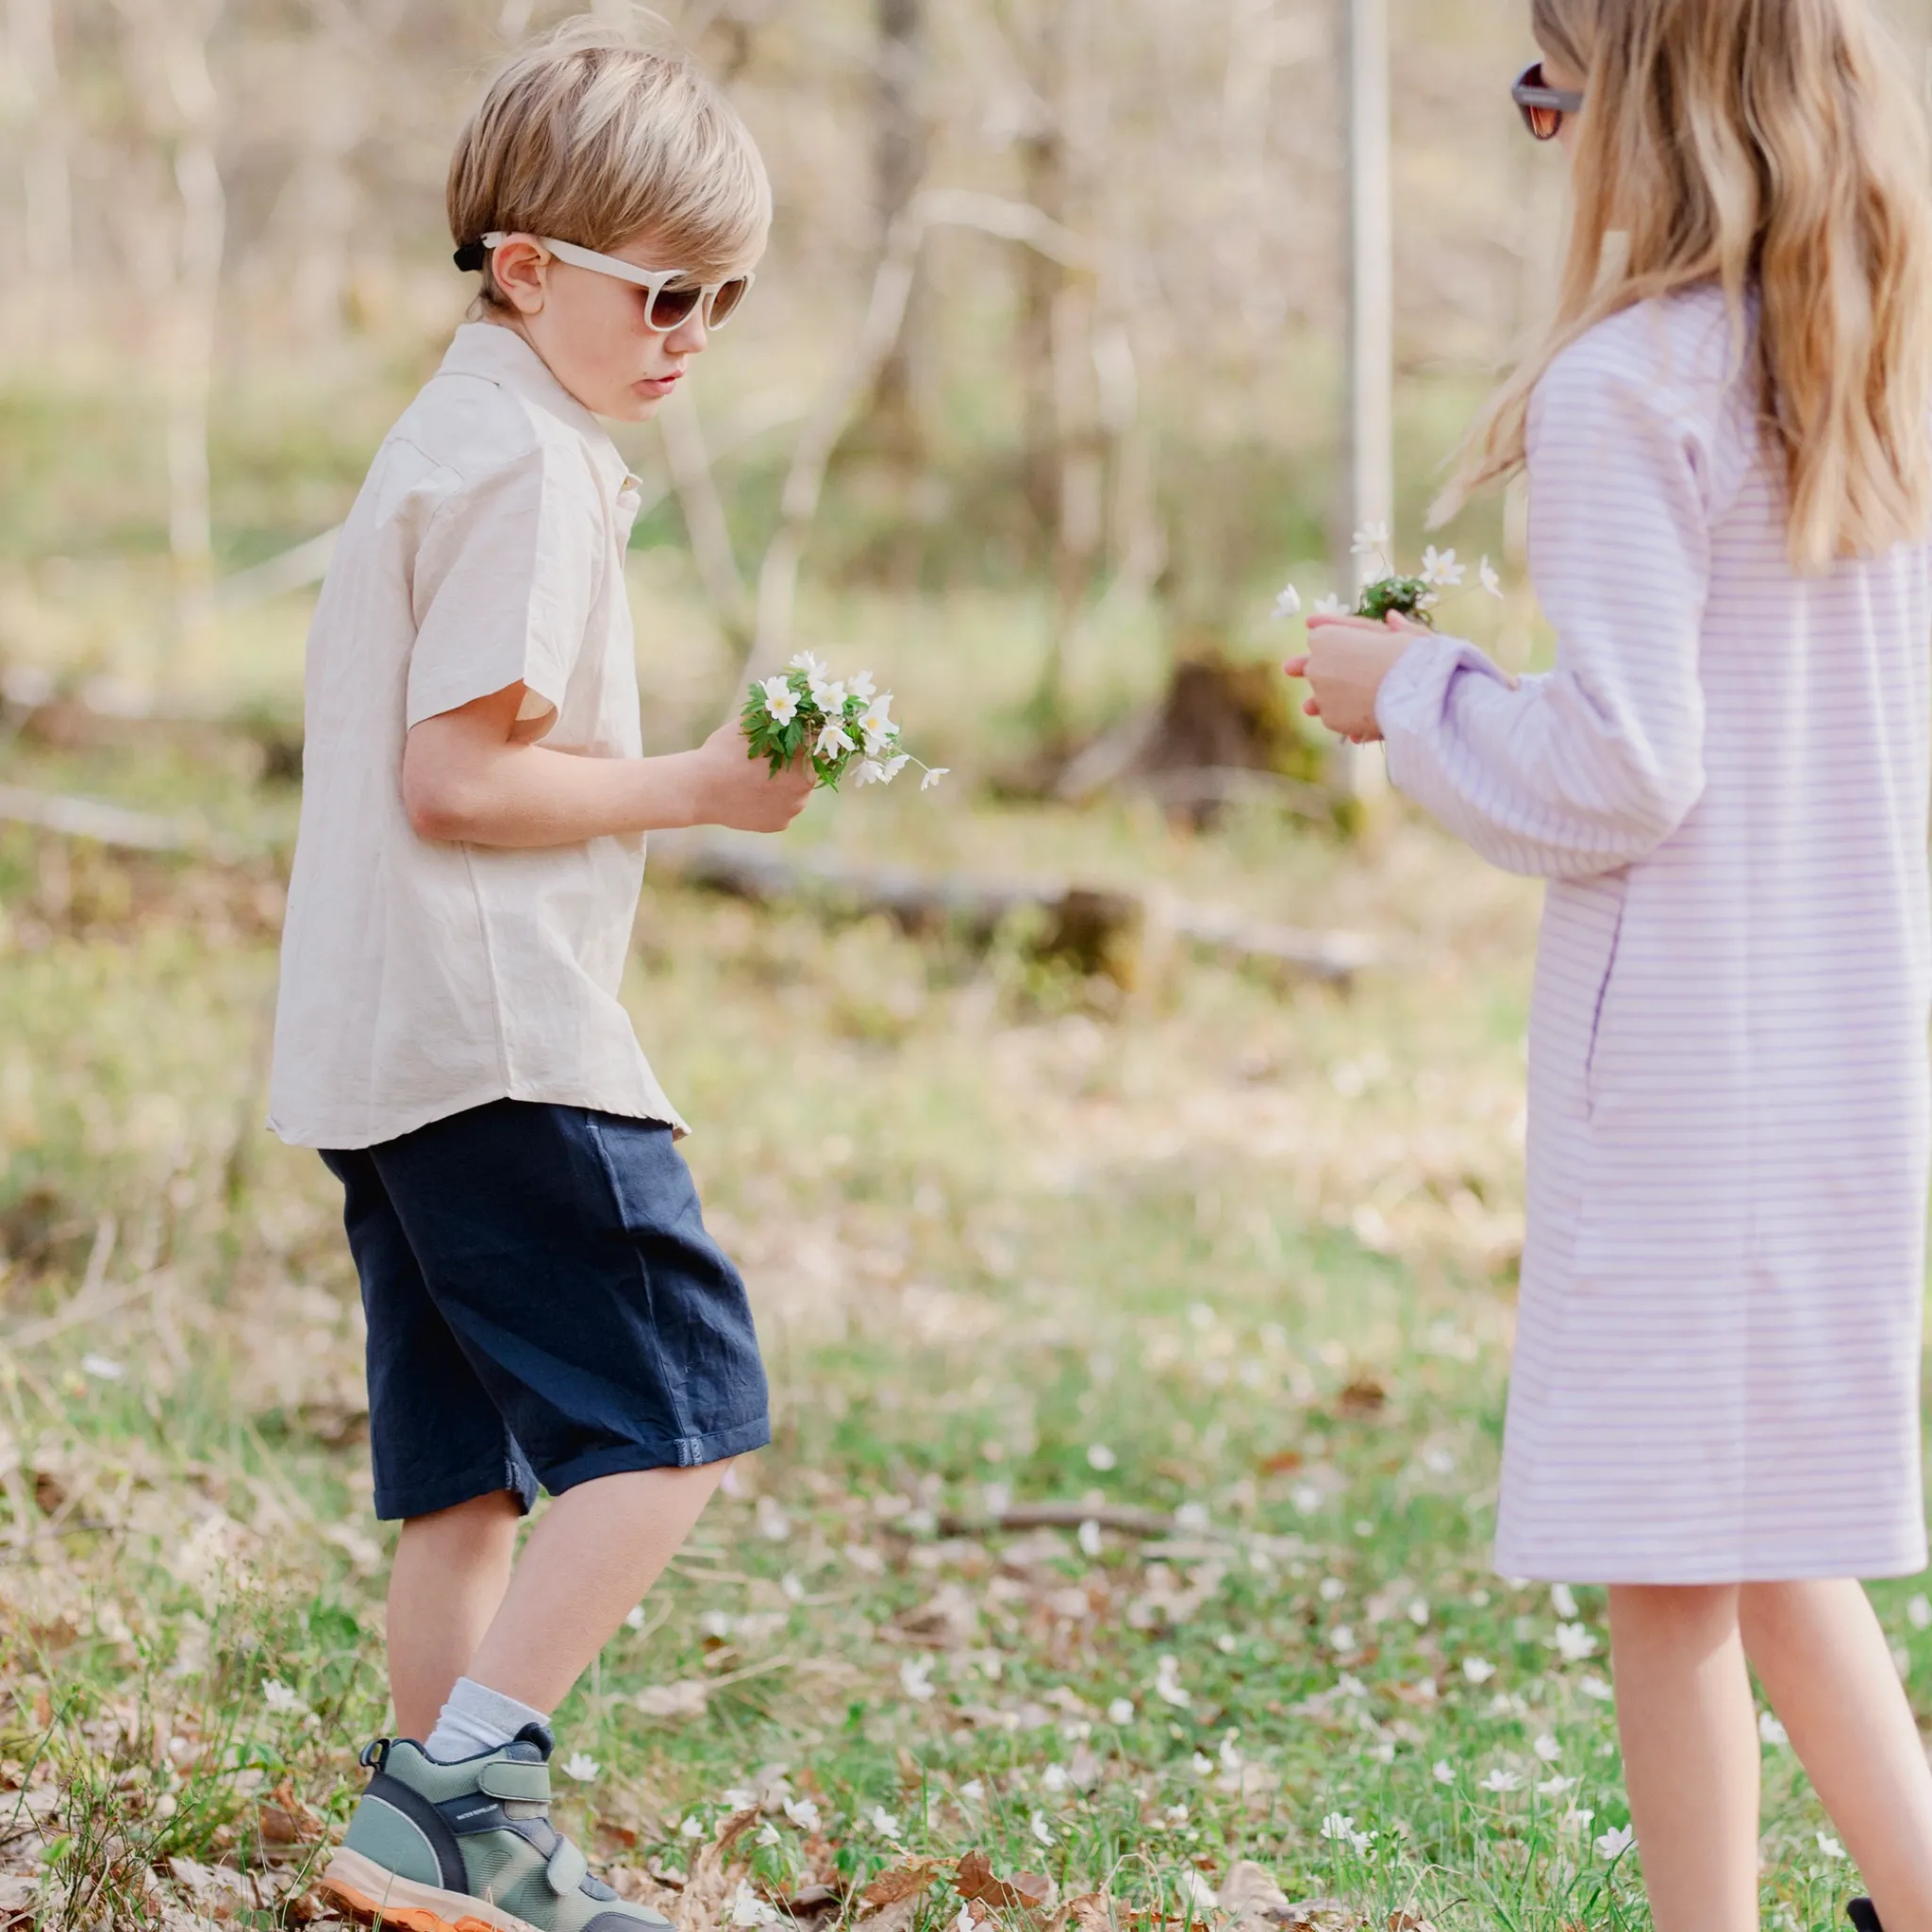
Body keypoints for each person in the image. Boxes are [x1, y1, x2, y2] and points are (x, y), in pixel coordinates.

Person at [1291, 3, 1932, 1927]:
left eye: (1545, 88)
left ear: (1639, 103)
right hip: (1846, 1041)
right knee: (1779, 1539)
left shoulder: (1628, 388)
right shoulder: (1868, 375)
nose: (1544, 130)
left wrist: (1413, 690)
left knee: (1670, 1571)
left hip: (1681, 1074)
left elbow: (1629, 768)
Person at [266, 25, 812, 1930]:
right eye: (664, 294)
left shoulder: (454, 430)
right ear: (523, 267)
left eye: (723, 300)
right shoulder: (529, 462)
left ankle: (434, 1862)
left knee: (467, 1479)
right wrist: (704, 786)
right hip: (498, 1038)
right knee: (684, 1415)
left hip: (382, 1043)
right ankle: (465, 1790)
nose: (692, 336)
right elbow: (461, 778)